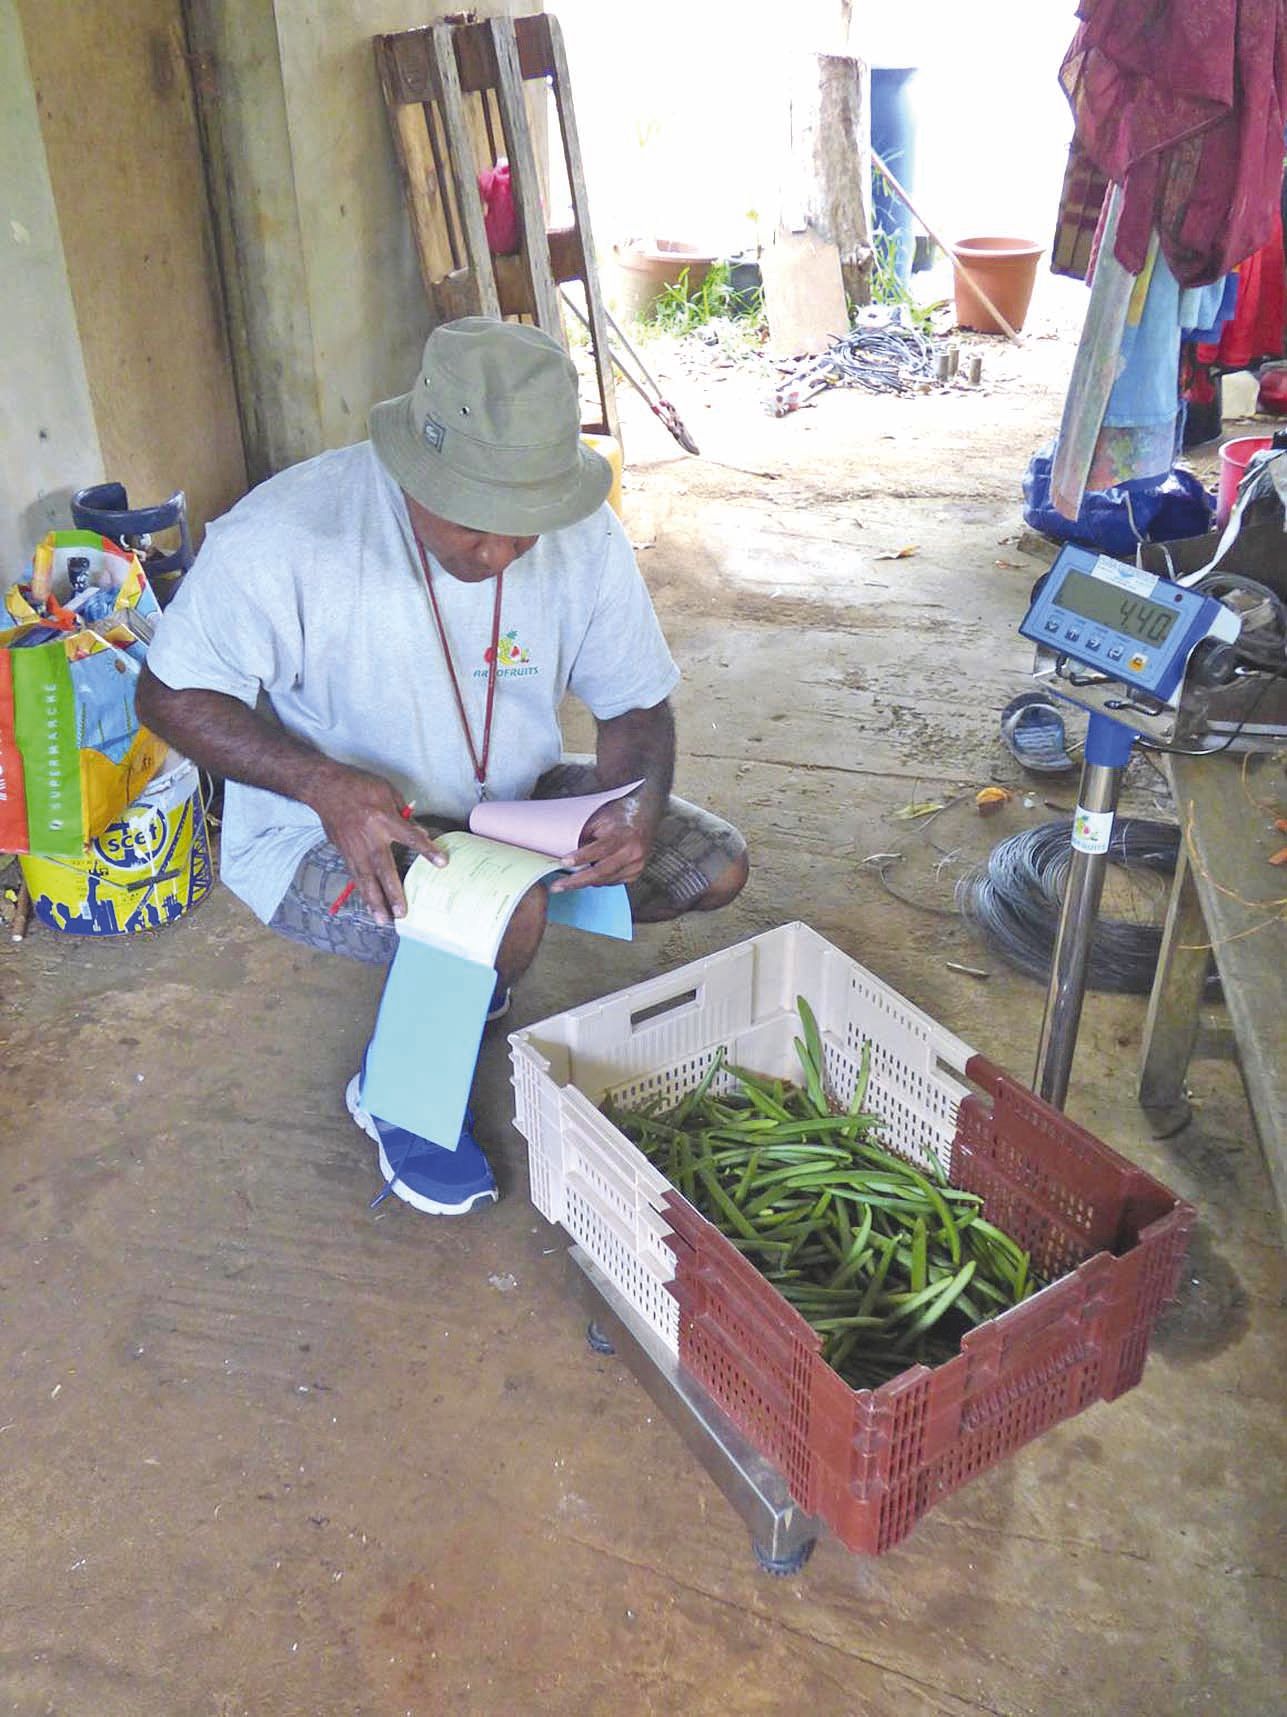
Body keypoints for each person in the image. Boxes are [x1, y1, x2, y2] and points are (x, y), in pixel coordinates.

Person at [137, 316, 748, 1215]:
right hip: (330, 829)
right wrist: (320, 783)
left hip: (512, 804)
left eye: (522, 530)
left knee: (712, 867)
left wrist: (633, 805)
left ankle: (476, 961)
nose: (498, 554)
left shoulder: (580, 533)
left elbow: (635, 707)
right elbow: (168, 696)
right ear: (413, 470)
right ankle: (398, 1091)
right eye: (473, 522)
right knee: (506, 910)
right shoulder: (284, 534)